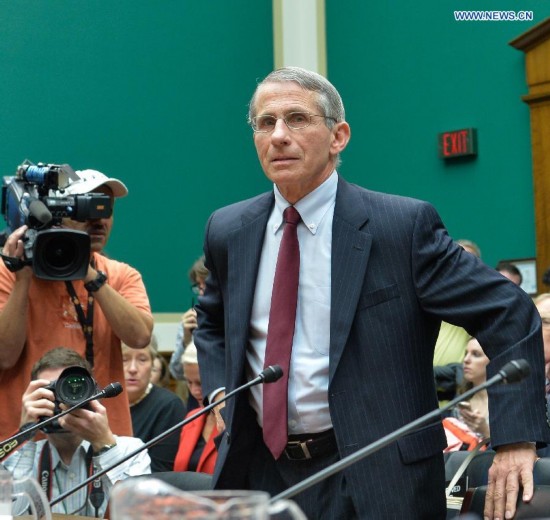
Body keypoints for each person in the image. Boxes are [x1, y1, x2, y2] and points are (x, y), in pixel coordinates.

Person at [194, 66, 550, 519]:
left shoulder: (399, 228)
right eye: (265, 123)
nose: (278, 135)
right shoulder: (229, 229)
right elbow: (211, 320)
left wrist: (516, 438)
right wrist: (221, 391)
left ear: (338, 136)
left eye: (297, 119)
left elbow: (509, 311)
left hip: (375, 476)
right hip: (260, 471)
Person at [0, 168, 153, 439]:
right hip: (26, 439)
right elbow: (4, 355)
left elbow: (140, 336)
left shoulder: (121, 275)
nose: (99, 220)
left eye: (106, 209)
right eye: (86, 208)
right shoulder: (10, 271)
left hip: (102, 440)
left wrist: (89, 274)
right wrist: (22, 280)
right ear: (57, 214)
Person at [1, 347, 151, 518]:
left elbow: (138, 515)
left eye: (73, 390)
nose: (62, 400)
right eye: (52, 392)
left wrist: (104, 444)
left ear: (93, 395)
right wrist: (25, 432)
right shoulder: (24, 458)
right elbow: (6, 514)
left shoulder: (131, 451)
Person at [122, 340, 186, 472]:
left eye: (142, 359)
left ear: (152, 366)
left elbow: (160, 472)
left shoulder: (169, 405)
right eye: (124, 359)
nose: (133, 368)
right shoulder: (99, 401)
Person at [173, 342, 218, 474]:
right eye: (189, 382)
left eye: (200, 383)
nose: (194, 391)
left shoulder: (237, 422)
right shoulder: (192, 417)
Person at [169, 255, 208, 381]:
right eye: (198, 285)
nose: (201, 292)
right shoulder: (192, 318)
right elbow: (177, 372)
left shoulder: (236, 316)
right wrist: (187, 340)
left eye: (206, 284)